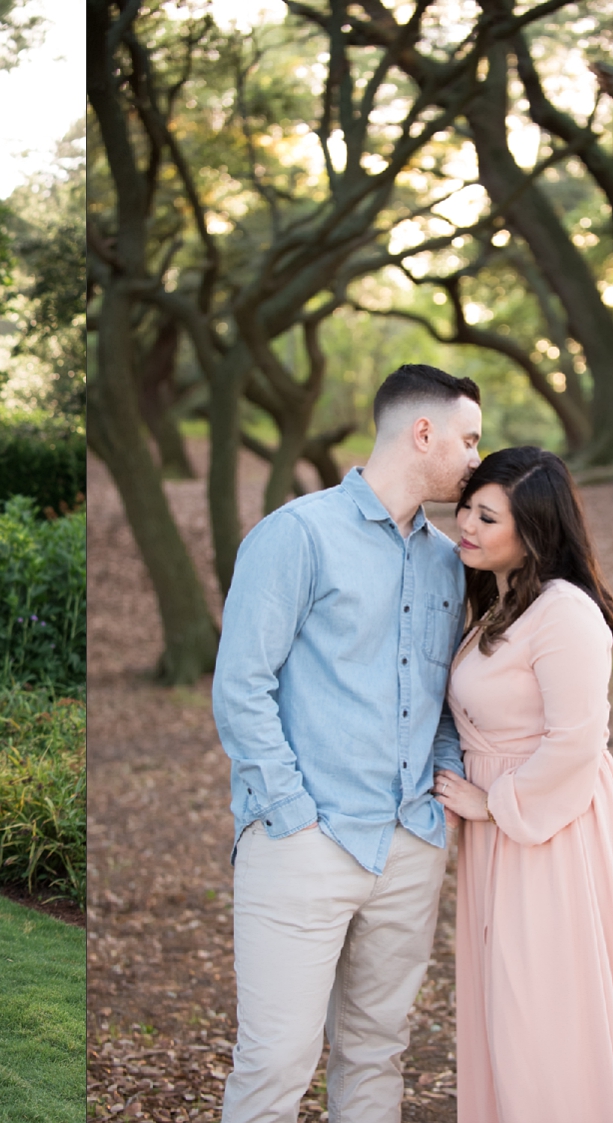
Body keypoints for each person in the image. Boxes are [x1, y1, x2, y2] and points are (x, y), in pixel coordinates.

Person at [213, 363, 482, 1123]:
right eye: (467, 440)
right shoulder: (296, 534)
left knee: (376, 1053)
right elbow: (241, 686)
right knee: (275, 1063)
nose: (473, 460)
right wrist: (292, 813)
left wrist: (442, 798)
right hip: (305, 842)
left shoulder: (444, 562)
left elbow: (437, 703)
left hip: (409, 845)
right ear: (421, 432)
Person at [434, 446, 613, 1123]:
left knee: (544, 1008)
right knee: (511, 1005)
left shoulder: (565, 611)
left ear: (535, 529)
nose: (467, 525)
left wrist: (494, 803)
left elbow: (576, 739)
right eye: (468, 508)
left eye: (488, 516)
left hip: (552, 830)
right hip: (506, 834)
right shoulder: (506, 598)